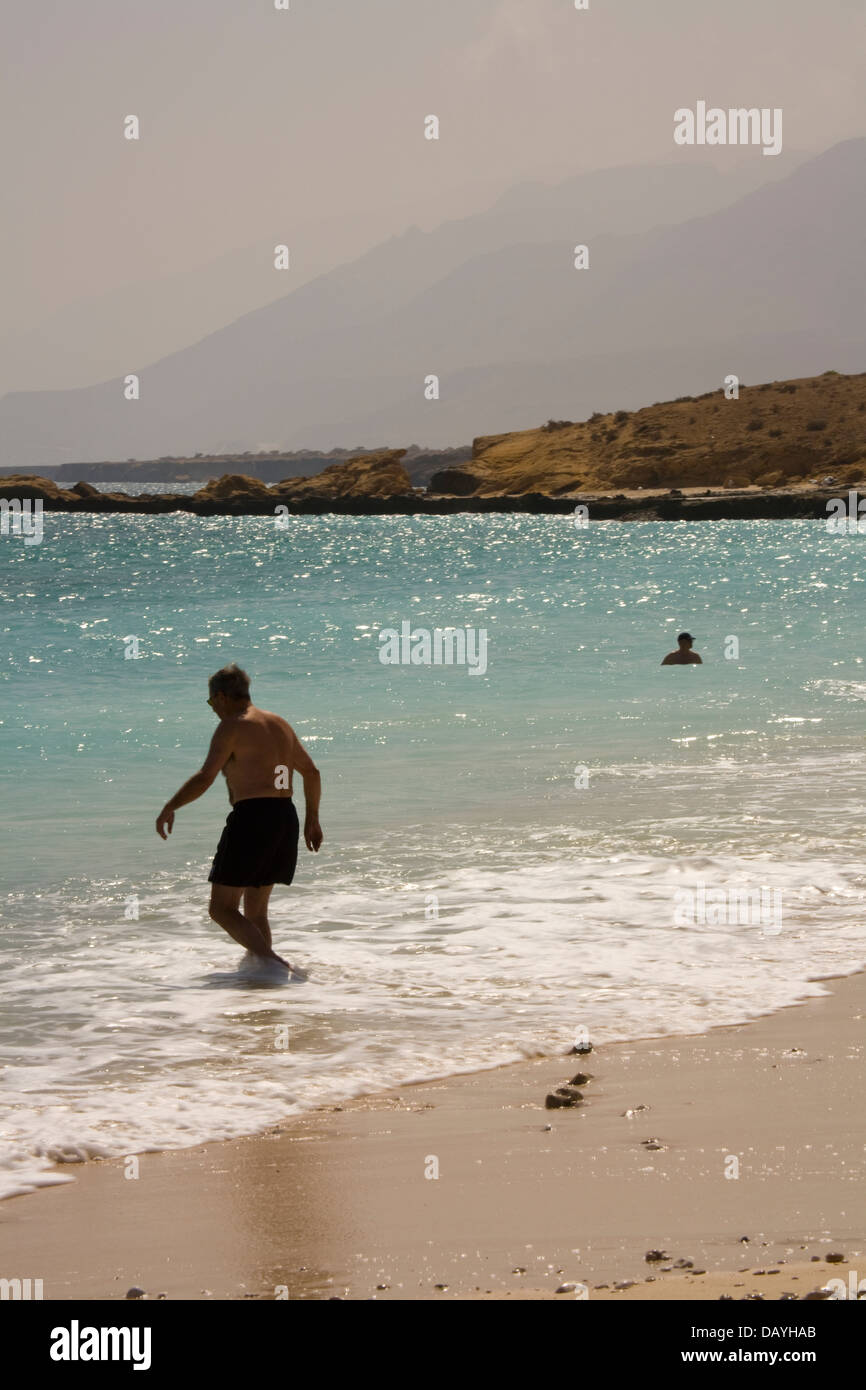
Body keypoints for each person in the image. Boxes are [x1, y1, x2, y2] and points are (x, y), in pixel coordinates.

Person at [156, 664, 322, 972]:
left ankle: (274, 965)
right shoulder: (279, 724)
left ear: (221, 697)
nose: (213, 710)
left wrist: (171, 806)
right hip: (285, 817)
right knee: (256, 912)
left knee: (221, 909)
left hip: (253, 819)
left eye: (210, 703)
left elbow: (205, 776)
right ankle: (263, 982)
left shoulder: (232, 726)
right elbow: (311, 772)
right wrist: (313, 820)